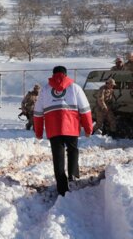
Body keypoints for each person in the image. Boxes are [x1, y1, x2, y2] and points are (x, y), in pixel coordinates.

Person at [33, 66, 93, 197]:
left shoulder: (45, 90)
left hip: (53, 129)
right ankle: (73, 176)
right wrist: (88, 128)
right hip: (71, 127)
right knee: (73, 150)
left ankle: (62, 188)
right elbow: (85, 110)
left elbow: (37, 113)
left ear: (53, 74)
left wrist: (38, 132)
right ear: (66, 74)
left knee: (58, 157)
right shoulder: (75, 88)